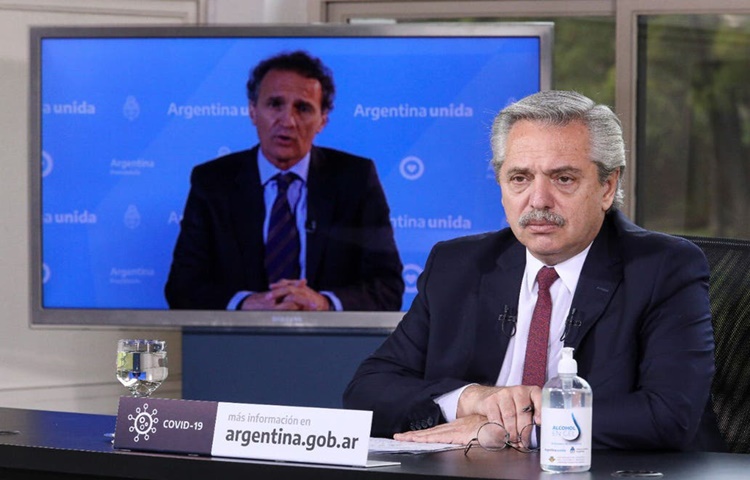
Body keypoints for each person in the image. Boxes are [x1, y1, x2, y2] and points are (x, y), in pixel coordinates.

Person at [343, 90, 722, 451]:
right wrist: (470, 400)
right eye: (520, 178)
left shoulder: (662, 268)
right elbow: (366, 391)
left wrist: (516, 429)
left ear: (607, 187)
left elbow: (668, 414)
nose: (538, 200)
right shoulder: (457, 265)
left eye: (563, 179)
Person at [165, 50, 403, 311]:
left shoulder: (355, 179)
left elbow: (388, 287)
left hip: (327, 335)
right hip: (238, 334)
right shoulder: (213, 182)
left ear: (322, 120)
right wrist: (245, 304)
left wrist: (324, 304)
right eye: (275, 104)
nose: (288, 121)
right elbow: (182, 286)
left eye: (303, 108)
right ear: (253, 112)